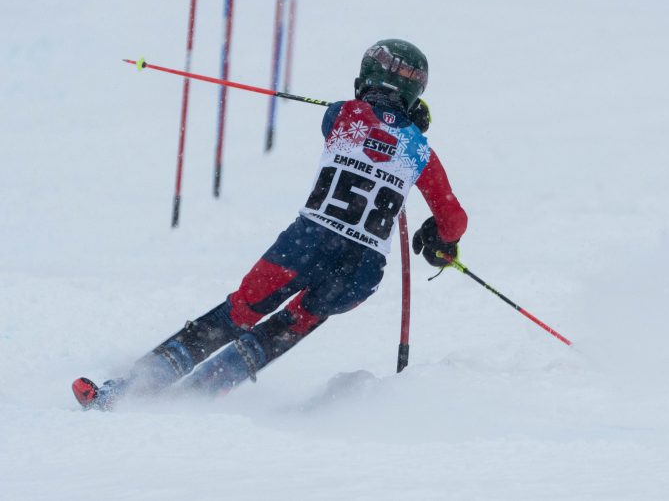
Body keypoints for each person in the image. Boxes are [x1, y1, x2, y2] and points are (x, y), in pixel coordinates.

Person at [73, 39, 467, 410]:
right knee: (296, 320)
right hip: (362, 273)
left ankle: (131, 390)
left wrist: (393, 119)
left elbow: (366, 127)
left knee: (239, 312)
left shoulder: (342, 115)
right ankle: (194, 399)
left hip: (308, 244)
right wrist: (439, 238)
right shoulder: (420, 151)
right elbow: (454, 219)